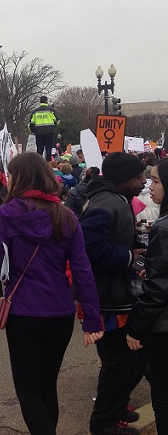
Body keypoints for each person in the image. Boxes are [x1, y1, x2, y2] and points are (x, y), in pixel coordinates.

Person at [0, 151, 103, 435]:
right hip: (60, 310)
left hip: (24, 311)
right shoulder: (68, 216)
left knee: (28, 389)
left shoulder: (6, 213)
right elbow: (83, 270)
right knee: (47, 385)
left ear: (19, 179)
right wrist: (92, 319)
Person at [80, 152, 149, 435]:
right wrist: (128, 257)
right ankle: (104, 424)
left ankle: (117, 407)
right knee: (119, 364)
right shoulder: (106, 203)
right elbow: (88, 247)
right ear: (124, 179)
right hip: (108, 299)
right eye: (139, 177)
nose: (143, 182)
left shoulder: (114, 199)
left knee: (131, 362)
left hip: (116, 295)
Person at [126, 158, 168, 434]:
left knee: (163, 400)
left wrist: (136, 328)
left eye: (155, 180)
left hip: (164, 329)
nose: (149, 186)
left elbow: (157, 289)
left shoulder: (163, 228)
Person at [29, 96, 60, 161]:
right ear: (46, 101)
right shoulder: (51, 110)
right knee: (49, 150)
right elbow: (57, 121)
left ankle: (38, 165)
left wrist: (32, 130)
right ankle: (48, 165)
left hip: (39, 133)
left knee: (39, 151)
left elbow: (31, 123)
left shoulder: (35, 111)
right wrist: (53, 127)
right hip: (49, 133)